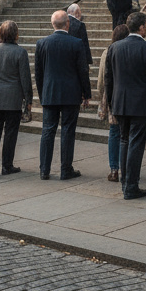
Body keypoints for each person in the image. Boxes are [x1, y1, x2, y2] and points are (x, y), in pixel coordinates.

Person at [104, 11, 146, 200]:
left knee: (124, 140)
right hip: (140, 104)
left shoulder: (114, 48)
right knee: (136, 143)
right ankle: (131, 185)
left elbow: (109, 79)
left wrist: (111, 103)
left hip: (120, 103)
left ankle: (125, 182)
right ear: (140, 28)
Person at [35, 10, 92, 180]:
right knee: (68, 131)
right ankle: (65, 169)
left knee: (48, 130)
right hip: (70, 93)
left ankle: (44, 169)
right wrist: (86, 93)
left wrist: (42, 94)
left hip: (50, 92)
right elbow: (83, 71)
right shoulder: (76, 43)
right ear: (68, 23)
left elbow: (38, 73)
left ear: (53, 24)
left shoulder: (42, 43)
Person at [0, 20, 32, 178]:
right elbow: (25, 79)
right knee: (11, 133)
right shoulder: (20, 52)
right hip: (12, 98)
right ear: (16, 34)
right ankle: (7, 165)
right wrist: (28, 100)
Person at [96, 23, 129, 182]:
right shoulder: (129, 51)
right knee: (126, 134)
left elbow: (101, 80)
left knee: (114, 133)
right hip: (127, 97)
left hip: (112, 97)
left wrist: (102, 97)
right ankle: (127, 168)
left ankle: (114, 169)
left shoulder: (107, 52)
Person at [66, 2, 93, 67]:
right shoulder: (80, 25)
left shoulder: (62, 22)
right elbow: (84, 44)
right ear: (77, 12)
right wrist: (87, 61)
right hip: (76, 57)